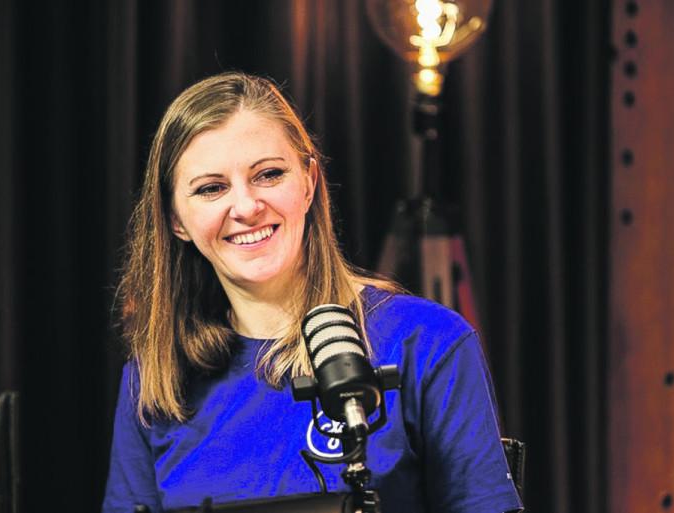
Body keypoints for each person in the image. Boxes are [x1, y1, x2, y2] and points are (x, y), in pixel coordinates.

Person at [102, 72, 523, 513]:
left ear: (309, 182)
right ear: (175, 220)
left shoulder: (427, 342)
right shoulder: (155, 377)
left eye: (268, 174)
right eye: (212, 188)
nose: (246, 207)